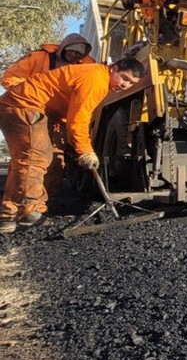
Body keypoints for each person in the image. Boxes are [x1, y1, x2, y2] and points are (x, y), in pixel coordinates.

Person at [0, 57, 145, 234]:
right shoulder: (96, 79)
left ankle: (27, 210)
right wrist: (85, 151)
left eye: (131, 83)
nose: (125, 85)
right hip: (24, 104)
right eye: (124, 78)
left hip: (43, 111)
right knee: (34, 158)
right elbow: (78, 120)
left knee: (48, 159)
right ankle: (18, 213)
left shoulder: (99, 79)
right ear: (113, 69)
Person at [1, 33, 97, 197]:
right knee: (30, 157)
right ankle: (20, 202)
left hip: (57, 118)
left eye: (79, 53)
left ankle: (47, 200)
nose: (75, 55)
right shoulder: (37, 58)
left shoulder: (85, 68)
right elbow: (10, 78)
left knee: (54, 158)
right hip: (31, 110)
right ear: (64, 47)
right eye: (72, 51)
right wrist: (33, 95)